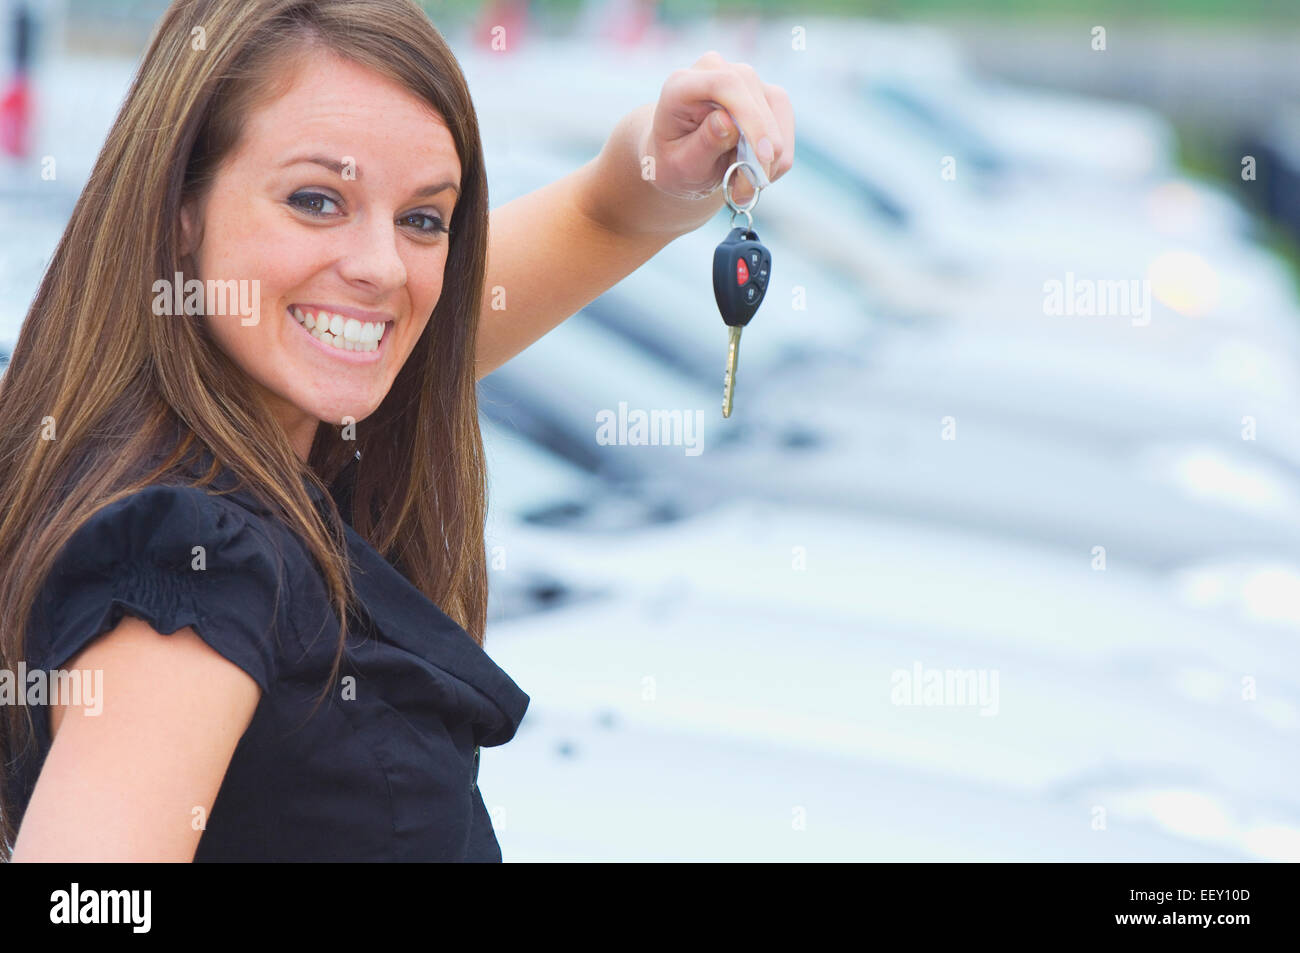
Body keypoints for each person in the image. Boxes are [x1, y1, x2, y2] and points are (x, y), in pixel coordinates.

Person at [0, 0, 792, 861]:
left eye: (423, 217)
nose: (379, 268)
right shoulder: (191, 560)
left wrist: (663, 163)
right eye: (316, 200)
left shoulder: (290, 413)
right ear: (180, 213)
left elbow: (595, 219)